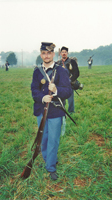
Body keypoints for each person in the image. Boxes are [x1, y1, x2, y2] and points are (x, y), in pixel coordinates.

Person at [31, 42, 72, 180]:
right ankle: (49, 159)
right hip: (41, 110)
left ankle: (51, 167)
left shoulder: (61, 71)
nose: (46, 55)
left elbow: (68, 91)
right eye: (43, 53)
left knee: (53, 140)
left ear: (53, 54)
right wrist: (42, 97)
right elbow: (34, 91)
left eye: (49, 53)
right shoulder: (37, 71)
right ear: (41, 54)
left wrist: (56, 90)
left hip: (55, 111)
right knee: (43, 139)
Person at [57, 46, 79, 113]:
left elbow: (77, 73)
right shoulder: (58, 63)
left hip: (69, 83)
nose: (64, 53)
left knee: (70, 99)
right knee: (61, 99)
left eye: (65, 52)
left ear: (67, 53)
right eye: (62, 52)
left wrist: (70, 80)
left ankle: (71, 111)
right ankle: (62, 111)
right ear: (60, 53)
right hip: (61, 84)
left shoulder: (72, 62)